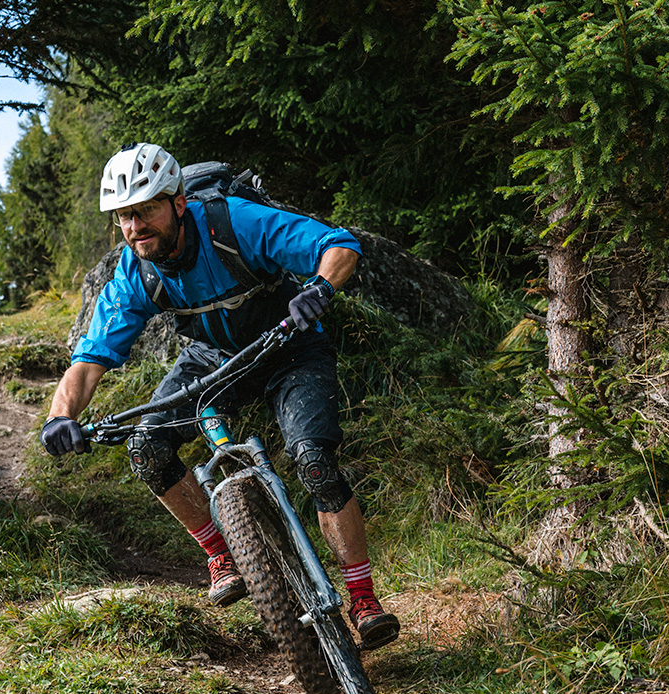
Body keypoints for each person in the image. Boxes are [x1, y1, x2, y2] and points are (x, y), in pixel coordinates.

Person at [39, 143, 400, 650]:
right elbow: (90, 359)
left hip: (288, 346)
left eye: (146, 210)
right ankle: (222, 555)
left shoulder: (233, 224)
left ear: (178, 203)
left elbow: (338, 244)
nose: (135, 227)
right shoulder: (136, 273)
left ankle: (362, 598)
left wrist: (319, 289)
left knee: (315, 461)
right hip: (212, 360)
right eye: (124, 216)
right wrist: (59, 417)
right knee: (146, 447)